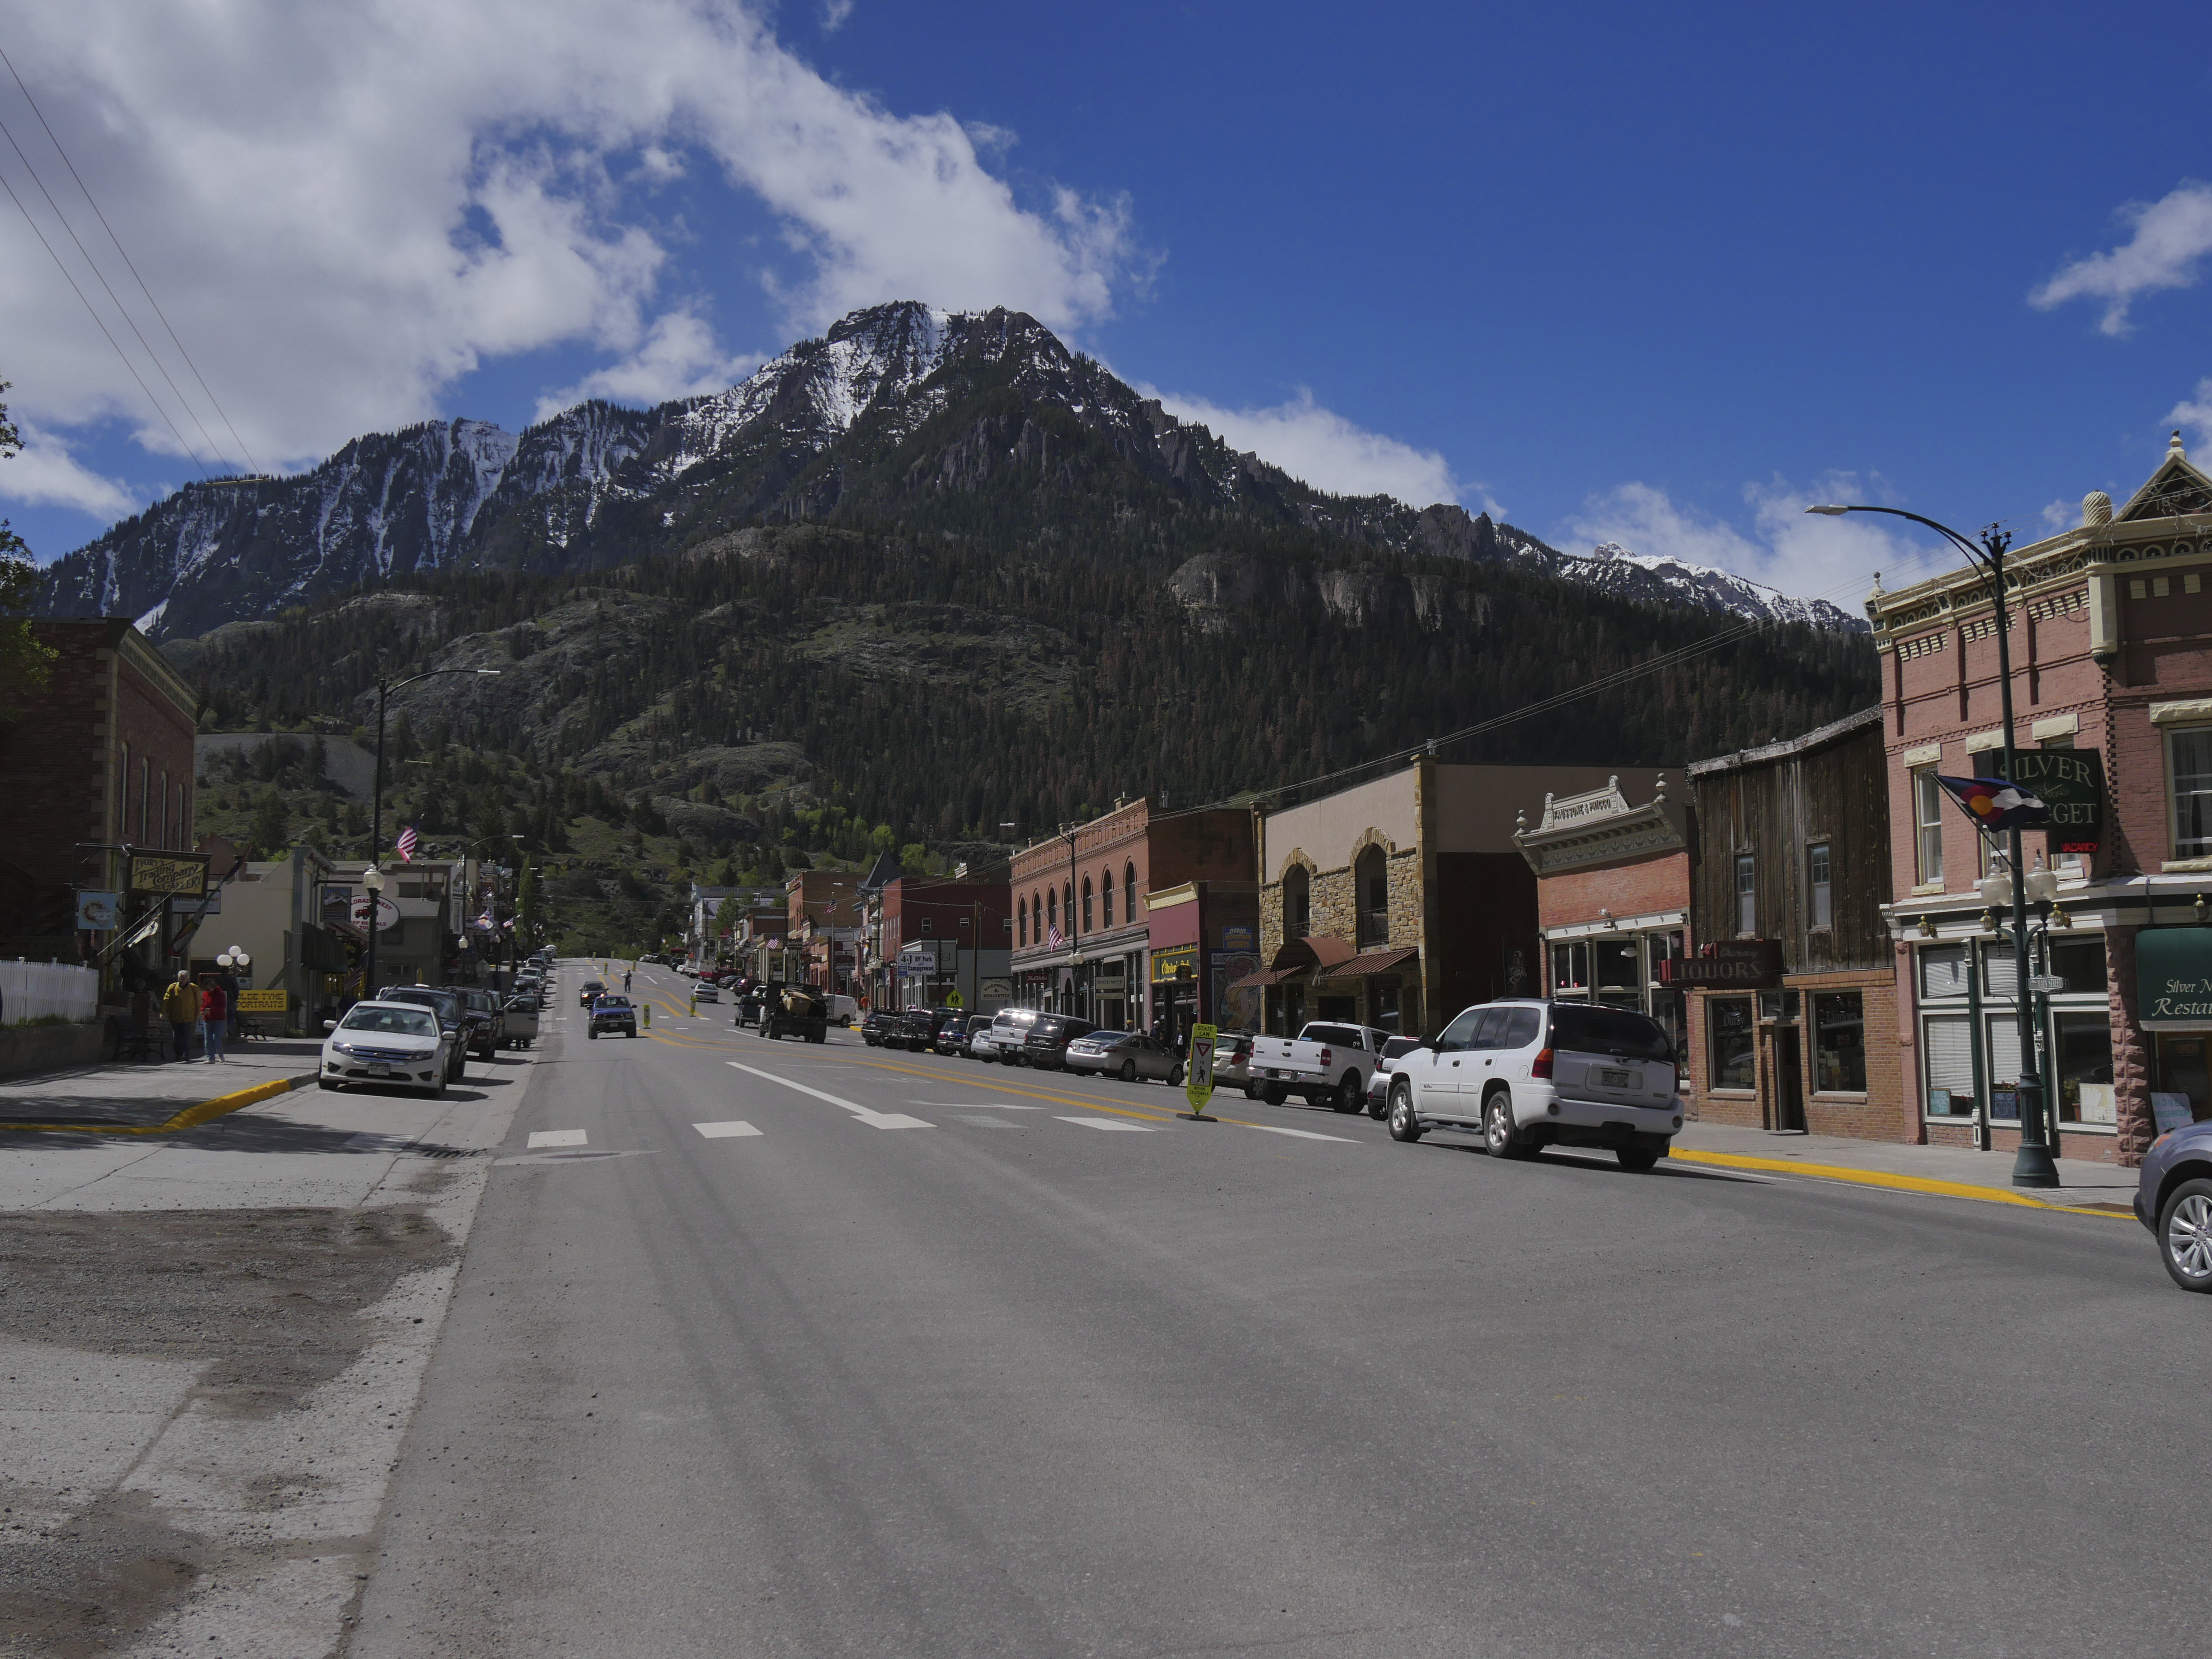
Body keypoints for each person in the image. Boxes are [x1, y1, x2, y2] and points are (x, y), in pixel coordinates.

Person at [161, 970, 199, 1062]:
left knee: (186, 1036)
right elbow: (166, 1000)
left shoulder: (193, 988)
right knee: (177, 1038)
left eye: (183, 979)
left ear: (188, 979)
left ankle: (187, 1054)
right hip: (175, 1017)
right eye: (180, 979)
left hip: (188, 1017)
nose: (181, 980)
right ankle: (179, 1055)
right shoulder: (173, 987)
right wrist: (163, 1013)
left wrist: (196, 1017)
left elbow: (198, 1003)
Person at [200, 977, 228, 1064]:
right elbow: (204, 1005)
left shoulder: (221, 994)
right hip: (208, 1019)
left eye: (209, 989)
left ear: (213, 986)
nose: (208, 991)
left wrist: (210, 1010)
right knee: (207, 1039)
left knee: (216, 1038)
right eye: (206, 989)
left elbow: (222, 1007)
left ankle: (221, 1056)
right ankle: (211, 1058)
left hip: (219, 1019)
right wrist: (203, 1010)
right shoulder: (205, 994)